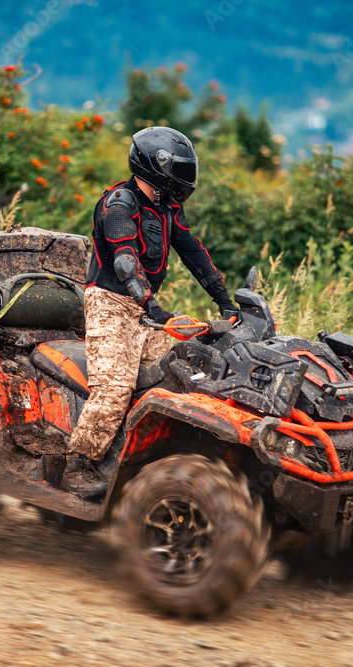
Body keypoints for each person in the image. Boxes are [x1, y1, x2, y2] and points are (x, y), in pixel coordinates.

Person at [61, 126, 238, 499]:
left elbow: (193, 253)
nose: (184, 181)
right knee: (114, 388)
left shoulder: (167, 207)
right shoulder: (119, 205)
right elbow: (125, 262)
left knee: (191, 367)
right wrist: (154, 309)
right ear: (154, 168)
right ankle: (78, 464)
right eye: (178, 171)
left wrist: (225, 302)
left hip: (143, 309)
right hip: (109, 303)